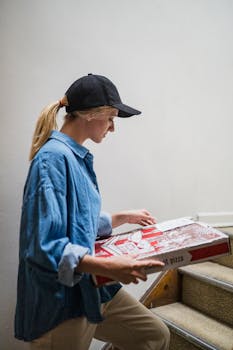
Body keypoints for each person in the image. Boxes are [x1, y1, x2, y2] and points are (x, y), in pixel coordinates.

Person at [15, 73, 170, 350]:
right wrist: (108, 266)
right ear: (90, 115)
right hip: (60, 301)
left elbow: (75, 222)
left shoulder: (74, 156)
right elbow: (43, 246)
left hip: (93, 285)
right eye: (111, 118)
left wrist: (120, 217)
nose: (112, 128)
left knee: (153, 335)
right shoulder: (52, 159)